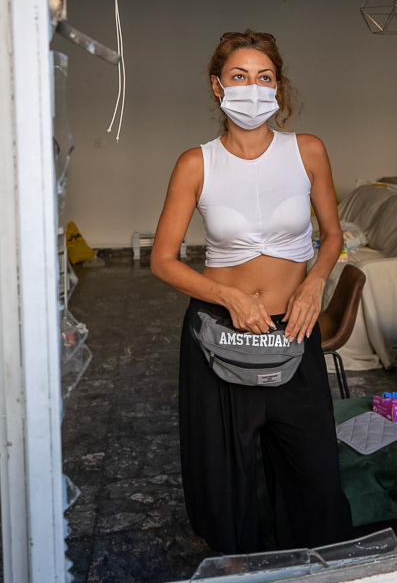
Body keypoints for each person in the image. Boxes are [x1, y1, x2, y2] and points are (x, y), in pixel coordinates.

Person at [150, 30, 353, 554]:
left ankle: (314, 565)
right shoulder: (196, 163)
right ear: (218, 87)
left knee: (314, 472)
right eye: (239, 77)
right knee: (224, 477)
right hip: (221, 333)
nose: (252, 88)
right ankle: (237, 566)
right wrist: (231, 298)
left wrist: (314, 283)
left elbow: (332, 235)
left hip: (295, 330)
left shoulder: (307, 152)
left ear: (279, 89)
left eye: (264, 77)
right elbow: (163, 260)